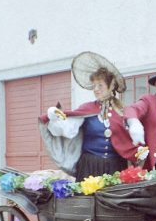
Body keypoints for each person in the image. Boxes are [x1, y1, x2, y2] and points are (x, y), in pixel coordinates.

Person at [39, 52, 136, 180]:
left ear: (111, 85)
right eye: (94, 86)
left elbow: (131, 139)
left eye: (100, 85)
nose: (96, 89)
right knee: (88, 200)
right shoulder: (87, 109)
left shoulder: (122, 112)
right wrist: (55, 119)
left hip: (116, 167)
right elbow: (67, 129)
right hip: (90, 167)